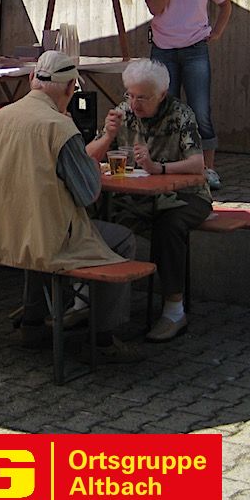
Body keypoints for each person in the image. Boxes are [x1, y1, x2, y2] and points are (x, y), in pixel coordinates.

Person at [0, 50, 142, 363]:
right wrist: (90, 163)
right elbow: (88, 193)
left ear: (32, 78)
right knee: (119, 240)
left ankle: (32, 324)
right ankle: (102, 338)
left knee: (39, 230)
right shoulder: (60, 127)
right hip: (37, 237)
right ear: (70, 87)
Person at [86, 58, 212, 342]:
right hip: (137, 195)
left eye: (142, 97)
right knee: (93, 212)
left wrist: (159, 168)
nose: (134, 103)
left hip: (186, 195)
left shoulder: (181, 115)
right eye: (130, 95)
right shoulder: (123, 112)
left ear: (162, 94)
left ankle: (174, 310)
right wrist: (108, 135)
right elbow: (87, 157)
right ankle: (86, 298)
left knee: (169, 225)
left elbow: (197, 164)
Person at [144, 0, 231, 190]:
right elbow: (156, 8)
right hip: (163, 50)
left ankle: (208, 169)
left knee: (200, 110)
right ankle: (168, 163)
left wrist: (217, 32)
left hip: (195, 49)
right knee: (165, 109)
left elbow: (225, 5)